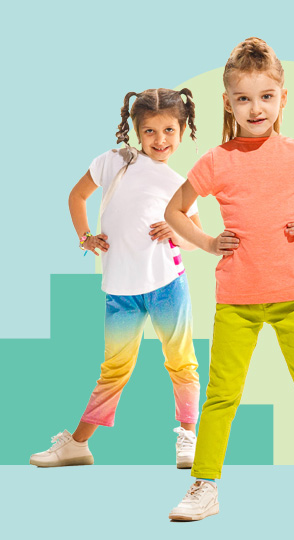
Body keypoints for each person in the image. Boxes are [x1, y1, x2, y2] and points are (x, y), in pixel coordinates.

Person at [165, 37, 294, 521]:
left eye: (267, 96)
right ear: (228, 101)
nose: (257, 108)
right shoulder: (216, 160)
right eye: (244, 98)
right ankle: (204, 487)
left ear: (283, 98)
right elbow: (174, 210)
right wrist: (209, 243)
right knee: (222, 397)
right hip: (236, 298)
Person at [30, 88, 201, 469]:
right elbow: (77, 196)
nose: (161, 140)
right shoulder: (114, 162)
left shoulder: (179, 183)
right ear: (137, 132)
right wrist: (85, 238)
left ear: (182, 129)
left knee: (181, 362)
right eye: (151, 131)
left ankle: (188, 437)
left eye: (170, 130)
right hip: (121, 290)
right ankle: (78, 445)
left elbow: (195, 239)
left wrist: (176, 230)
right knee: (114, 370)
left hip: (168, 284)